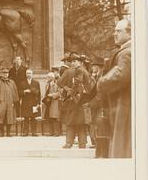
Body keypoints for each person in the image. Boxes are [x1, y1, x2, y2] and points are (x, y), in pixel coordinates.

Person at [97, 19, 132, 158]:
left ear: (129, 33)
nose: (114, 34)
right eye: (114, 30)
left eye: (118, 31)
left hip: (124, 104)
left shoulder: (126, 52)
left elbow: (120, 76)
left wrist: (101, 83)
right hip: (122, 103)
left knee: (122, 145)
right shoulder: (125, 50)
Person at [57, 54, 93, 148]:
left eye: (75, 61)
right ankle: (82, 143)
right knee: (81, 122)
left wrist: (69, 91)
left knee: (70, 122)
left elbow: (76, 82)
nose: (72, 63)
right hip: (82, 99)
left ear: (80, 62)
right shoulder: (84, 70)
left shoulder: (76, 70)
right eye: (72, 61)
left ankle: (69, 142)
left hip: (74, 100)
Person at [0, 71, 19, 137]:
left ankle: (8, 133)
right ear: (2, 74)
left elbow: (15, 92)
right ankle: (2, 133)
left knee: (9, 118)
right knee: (0, 117)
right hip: (1, 103)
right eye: (4, 73)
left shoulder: (11, 82)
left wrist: (14, 102)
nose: (5, 74)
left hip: (10, 102)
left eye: (7, 73)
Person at [19, 69, 41, 136]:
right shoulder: (22, 83)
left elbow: (39, 93)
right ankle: (26, 132)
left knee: (33, 118)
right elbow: (19, 93)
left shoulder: (36, 83)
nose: (28, 74)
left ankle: (34, 132)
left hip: (34, 103)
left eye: (30, 73)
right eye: (27, 73)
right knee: (25, 118)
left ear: (32, 74)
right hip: (25, 103)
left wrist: (38, 103)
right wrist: (24, 91)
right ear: (26, 74)